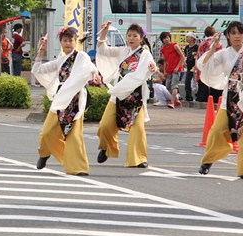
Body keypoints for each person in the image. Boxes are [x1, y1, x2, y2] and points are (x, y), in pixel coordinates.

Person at [198, 22, 243, 179]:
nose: (236, 36)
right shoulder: (223, 53)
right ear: (228, 35)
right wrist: (213, 47)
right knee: (217, 131)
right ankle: (209, 160)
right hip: (230, 98)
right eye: (233, 33)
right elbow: (205, 66)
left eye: (240, 33)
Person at [32, 27, 97, 175]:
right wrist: (41, 52)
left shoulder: (81, 56)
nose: (68, 43)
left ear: (76, 41)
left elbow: (91, 68)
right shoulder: (60, 60)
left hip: (75, 99)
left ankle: (78, 167)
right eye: (65, 40)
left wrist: (95, 74)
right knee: (46, 133)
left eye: (71, 40)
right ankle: (45, 153)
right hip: (61, 99)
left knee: (74, 135)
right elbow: (38, 70)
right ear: (60, 42)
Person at [95, 22, 156, 168]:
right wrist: (104, 31)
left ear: (141, 38)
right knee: (105, 126)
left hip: (136, 96)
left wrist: (153, 68)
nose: (131, 38)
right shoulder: (122, 51)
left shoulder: (145, 54)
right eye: (129, 35)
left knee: (137, 128)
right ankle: (106, 147)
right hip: (119, 93)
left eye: (135, 35)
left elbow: (150, 68)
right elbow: (103, 50)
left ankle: (139, 159)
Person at [195, 26, 222, 104]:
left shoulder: (202, 43)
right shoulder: (217, 43)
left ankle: (203, 102)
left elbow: (198, 56)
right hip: (214, 70)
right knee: (215, 91)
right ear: (214, 33)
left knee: (203, 89)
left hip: (202, 69)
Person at [159, 31, 184, 106]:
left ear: (169, 38)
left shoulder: (175, 45)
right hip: (169, 70)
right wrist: (164, 71)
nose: (166, 39)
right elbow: (165, 61)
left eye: (167, 37)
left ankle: (172, 102)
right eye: (164, 38)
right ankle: (176, 100)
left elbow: (182, 57)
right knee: (167, 86)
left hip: (176, 69)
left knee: (174, 85)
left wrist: (177, 67)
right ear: (162, 40)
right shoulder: (163, 49)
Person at [183, 34, 198, 102]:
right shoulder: (186, 47)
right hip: (189, 68)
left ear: (192, 38)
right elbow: (185, 56)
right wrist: (184, 62)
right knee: (187, 82)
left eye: (188, 37)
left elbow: (197, 57)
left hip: (195, 67)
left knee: (196, 83)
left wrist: (196, 66)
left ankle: (198, 96)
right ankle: (188, 97)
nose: (186, 38)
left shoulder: (196, 47)